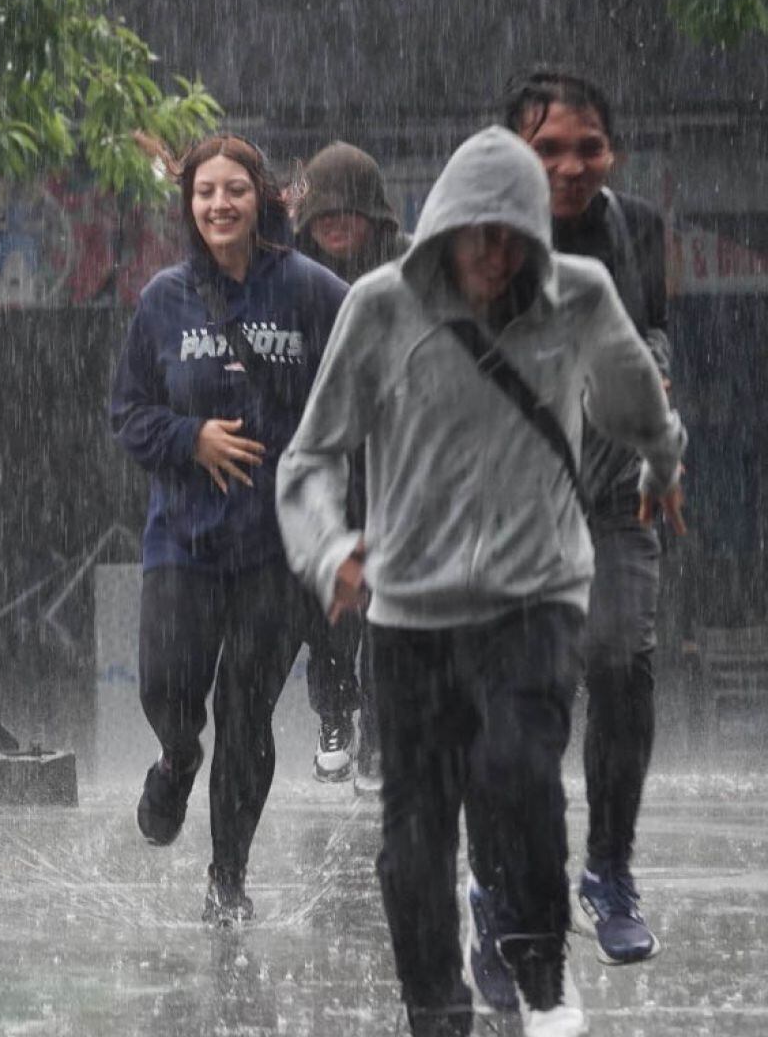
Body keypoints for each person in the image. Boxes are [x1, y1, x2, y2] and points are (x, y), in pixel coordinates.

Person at [277, 126, 686, 1037]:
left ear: (538, 238)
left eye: (513, 236)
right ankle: (435, 1010)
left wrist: (663, 466)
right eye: (477, 234)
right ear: (443, 228)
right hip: (411, 610)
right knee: (411, 836)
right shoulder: (381, 307)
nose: (493, 255)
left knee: (519, 777)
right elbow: (307, 460)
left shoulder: (578, 298)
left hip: (532, 596)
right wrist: (328, 548)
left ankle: (542, 971)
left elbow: (635, 403)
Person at [461, 68, 672, 980]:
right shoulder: (476, 241)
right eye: (549, 149)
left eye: (588, 146)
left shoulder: (639, 235)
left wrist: (656, 398)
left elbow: (654, 337)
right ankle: (499, 895)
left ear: (612, 150)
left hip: (613, 497)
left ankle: (609, 871)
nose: (571, 165)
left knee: (621, 661)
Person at [109, 134, 347, 924]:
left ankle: (228, 878)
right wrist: (191, 439)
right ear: (189, 205)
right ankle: (177, 760)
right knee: (167, 688)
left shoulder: (314, 292)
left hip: (277, 549)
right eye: (205, 192)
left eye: (234, 190)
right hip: (183, 540)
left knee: (247, 712)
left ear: (262, 198)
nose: (220, 204)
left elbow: (360, 397)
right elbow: (128, 414)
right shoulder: (163, 301)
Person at [291, 141, 413, 791]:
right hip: (320, 453)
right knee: (330, 605)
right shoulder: (288, 271)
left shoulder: (408, 265)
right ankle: (335, 713)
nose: (336, 225)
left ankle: (381, 740)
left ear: (373, 214)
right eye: (323, 214)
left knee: (389, 602)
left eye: (347, 212)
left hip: (393, 452)